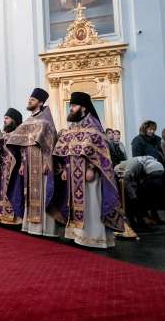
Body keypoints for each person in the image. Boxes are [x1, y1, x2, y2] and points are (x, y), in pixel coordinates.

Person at [52, 92, 125, 248]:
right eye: (70, 105)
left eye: (74, 106)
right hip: (72, 173)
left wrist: (91, 168)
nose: (71, 109)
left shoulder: (94, 125)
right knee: (74, 205)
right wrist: (65, 168)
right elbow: (65, 149)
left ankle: (94, 237)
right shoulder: (72, 127)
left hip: (88, 173)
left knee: (92, 204)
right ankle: (77, 235)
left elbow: (100, 151)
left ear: (83, 107)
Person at [7, 88, 57, 237]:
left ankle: (45, 229)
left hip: (42, 161)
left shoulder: (46, 122)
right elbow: (22, 144)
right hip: (28, 163)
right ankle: (30, 226)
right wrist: (22, 163)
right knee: (28, 193)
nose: (29, 101)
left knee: (42, 193)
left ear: (41, 102)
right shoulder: (28, 122)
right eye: (29, 99)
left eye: (33, 100)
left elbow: (51, 143)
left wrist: (48, 162)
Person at [0, 108, 25, 225]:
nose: (4, 120)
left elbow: (24, 151)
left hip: (14, 169)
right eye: (4, 118)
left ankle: (15, 220)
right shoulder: (4, 135)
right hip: (3, 168)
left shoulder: (20, 134)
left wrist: (23, 164)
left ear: (14, 120)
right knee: (2, 192)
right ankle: (2, 216)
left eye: (7, 118)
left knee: (14, 191)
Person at [115, 156, 165, 228]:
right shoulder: (133, 166)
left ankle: (147, 220)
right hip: (121, 177)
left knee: (145, 197)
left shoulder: (155, 164)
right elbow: (126, 180)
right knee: (131, 200)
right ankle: (134, 224)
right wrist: (133, 195)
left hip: (133, 177)